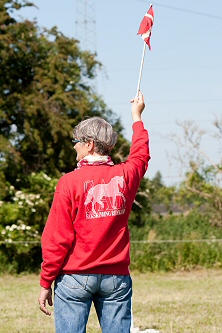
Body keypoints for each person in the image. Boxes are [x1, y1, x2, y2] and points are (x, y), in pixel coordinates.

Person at [38, 91, 151, 333]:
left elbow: (57, 238)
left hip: (74, 277)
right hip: (116, 278)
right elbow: (141, 154)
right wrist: (137, 117)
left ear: (88, 144)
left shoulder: (68, 182)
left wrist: (46, 280)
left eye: (76, 142)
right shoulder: (126, 175)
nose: (74, 148)